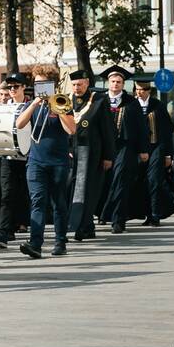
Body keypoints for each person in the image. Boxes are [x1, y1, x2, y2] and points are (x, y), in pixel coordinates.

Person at [15, 65, 77, 259]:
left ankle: (60, 241)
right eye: (37, 83)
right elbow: (19, 124)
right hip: (36, 161)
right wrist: (34, 104)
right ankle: (35, 244)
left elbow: (71, 130)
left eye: (43, 83)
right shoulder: (32, 103)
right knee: (37, 201)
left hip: (58, 161)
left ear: (53, 84)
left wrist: (57, 108)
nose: (39, 86)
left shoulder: (62, 102)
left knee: (59, 202)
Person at [0, 73, 30, 250]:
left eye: (15, 87)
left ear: (23, 87)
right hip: (8, 156)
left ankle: (29, 227)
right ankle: (4, 231)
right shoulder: (2, 107)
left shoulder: (30, 105)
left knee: (26, 194)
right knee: (7, 194)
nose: (11, 90)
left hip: (27, 157)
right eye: (9, 87)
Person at [98, 65, 146, 234]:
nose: (116, 84)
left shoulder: (132, 103)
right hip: (103, 146)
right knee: (102, 181)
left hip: (124, 146)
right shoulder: (99, 100)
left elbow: (141, 127)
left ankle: (118, 220)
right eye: (113, 81)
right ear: (108, 83)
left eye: (119, 82)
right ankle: (101, 213)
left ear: (123, 84)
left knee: (120, 181)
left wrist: (143, 149)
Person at [67, 70, 113, 241]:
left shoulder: (99, 100)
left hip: (93, 152)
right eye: (74, 85)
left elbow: (107, 130)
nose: (76, 88)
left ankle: (83, 226)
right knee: (73, 190)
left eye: (79, 84)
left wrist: (108, 156)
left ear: (86, 83)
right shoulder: (66, 101)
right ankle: (84, 225)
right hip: (72, 152)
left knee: (88, 190)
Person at [133, 78, 174, 227]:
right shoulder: (132, 105)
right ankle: (146, 213)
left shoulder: (158, 106)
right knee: (141, 181)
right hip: (138, 149)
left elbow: (167, 131)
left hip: (156, 147)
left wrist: (168, 154)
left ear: (149, 91)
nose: (139, 92)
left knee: (154, 180)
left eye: (142, 90)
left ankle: (155, 214)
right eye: (137, 90)